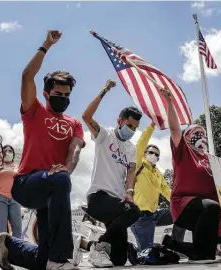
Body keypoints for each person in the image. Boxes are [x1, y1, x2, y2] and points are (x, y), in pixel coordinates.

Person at [0, 30, 85, 270]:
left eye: (67, 95)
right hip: (26, 183)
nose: (63, 98)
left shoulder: (74, 123)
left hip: (52, 190)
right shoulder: (34, 110)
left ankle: (10, 246)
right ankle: (61, 258)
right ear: (46, 94)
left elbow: (75, 150)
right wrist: (46, 44)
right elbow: (26, 76)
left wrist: (66, 168)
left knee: (42, 260)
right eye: (58, 94)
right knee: (60, 181)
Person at [82, 79, 142, 267]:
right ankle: (98, 247)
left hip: (117, 204)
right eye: (129, 126)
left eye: (134, 128)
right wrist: (104, 90)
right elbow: (86, 116)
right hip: (98, 198)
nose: (131, 131)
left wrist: (129, 193)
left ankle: (88, 245)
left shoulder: (131, 148)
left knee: (118, 260)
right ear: (119, 121)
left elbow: (131, 172)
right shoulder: (104, 135)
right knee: (134, 212)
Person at [159, 88, 220, 264]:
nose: (201, 137)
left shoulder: (211, 160)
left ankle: (181, 247)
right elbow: (174, 129)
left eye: (203, 134)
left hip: (205, 210)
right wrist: (170, 102)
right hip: (184, 204)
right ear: (187, 138)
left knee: (210, 254)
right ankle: (195, 252)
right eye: (196, 134)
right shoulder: (183, 152)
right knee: (212, 207)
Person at [130, 122, 185, 251]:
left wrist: (178, 203)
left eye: (157, 155)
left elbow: (166, 190)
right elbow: (141, 144)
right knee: (146, 253)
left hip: (155, 214)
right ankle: (133, 251)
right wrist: (152, 126)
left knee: (182, 213)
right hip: (140, 217)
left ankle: (175, 245)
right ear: (144, 154)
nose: (154, 156)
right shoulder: (138, 164)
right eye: (151, 153)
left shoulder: (157, 172)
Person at [0, 145, 22, 238]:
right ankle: (2, 251)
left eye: (10, 150)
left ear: (13, 154)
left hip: (15, 198)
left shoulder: (18, 167)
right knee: (1, 230)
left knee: (17, 228)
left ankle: (17, 252)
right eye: (5, 151)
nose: (8, 152)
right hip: (0, 197)